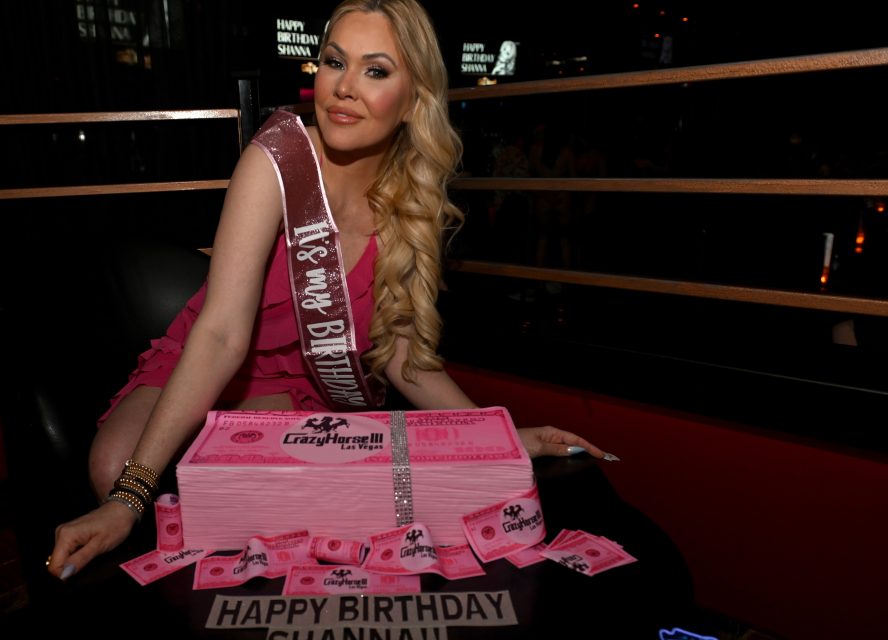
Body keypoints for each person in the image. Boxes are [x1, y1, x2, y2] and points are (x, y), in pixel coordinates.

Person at [47, 0, 614, 581]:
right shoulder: (275, 161)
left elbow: (397, 355)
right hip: (215, 356)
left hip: (317, 388)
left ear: (414, 96)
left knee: (256, 494)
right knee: (115, 467)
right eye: (334, 62)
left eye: (375, 70)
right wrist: (126, 498)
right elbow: (220, 336)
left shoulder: (409, 195)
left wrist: (495, 438)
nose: (344, 88)